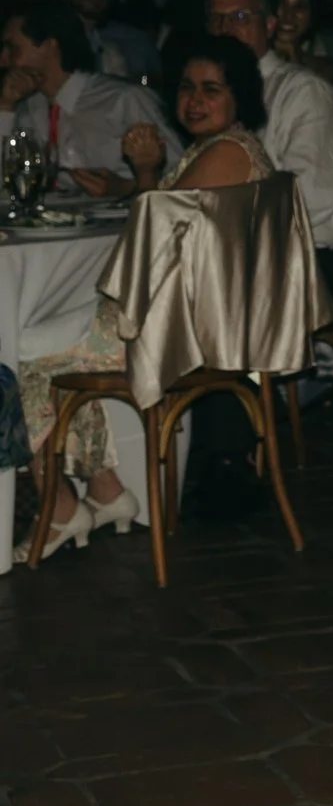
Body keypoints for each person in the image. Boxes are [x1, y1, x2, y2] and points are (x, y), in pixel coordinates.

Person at [14, 36, 272, 563]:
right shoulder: (223, 148)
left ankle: (63, 507)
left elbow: (152, 235)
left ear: (238, 97)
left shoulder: (227, 153)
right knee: (45, 338)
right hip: (187, 316)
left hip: (185, 332)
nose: (194, 101)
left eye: (211, 90)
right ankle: (105, 494)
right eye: (186, 88)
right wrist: (146, 174)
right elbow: (163, 224)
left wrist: (144, 174)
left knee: (21, 348)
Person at [204, 0, 333, 252]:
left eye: (239, 18)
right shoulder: (209, 95)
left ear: (269, 25)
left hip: (304, 256)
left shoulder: (303, 92)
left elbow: (311, 198)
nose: (225, 29)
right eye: (217, 19)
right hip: (241, 248)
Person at [1, 0, 181, 195]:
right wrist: (5, 105)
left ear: (50, 45)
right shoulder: (25, 106)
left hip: (123, 223)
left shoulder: (124, 100)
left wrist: (128, 188)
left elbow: (183, 174)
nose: (3, 59)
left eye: (13, 48)